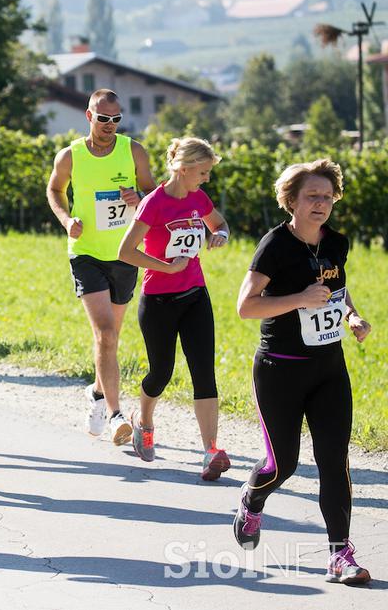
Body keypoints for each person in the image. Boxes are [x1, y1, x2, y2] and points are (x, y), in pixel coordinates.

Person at [233, 159, 372, 586]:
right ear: (291, 200)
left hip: (329, 370)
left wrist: (351, 317)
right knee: (283, 465)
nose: (322, 204)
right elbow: (245, 306)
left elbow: (336, 291)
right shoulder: (275, 245)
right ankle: (252, 501)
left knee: (335, 461)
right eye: (312, 196)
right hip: (280, 370)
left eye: (328, 196)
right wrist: (299, 299)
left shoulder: (337, 243)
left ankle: (339, 554)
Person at [46, 89, 157, 445]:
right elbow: (55, 190)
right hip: (87, 253)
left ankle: (96, 392)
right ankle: (115, 414)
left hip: (125, 254)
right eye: (103, 118)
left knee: (110, 339)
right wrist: (66, 220)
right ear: (89, 116)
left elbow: (154, 195)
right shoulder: (71, 155)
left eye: (116, 119)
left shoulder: (133, 150)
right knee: (105, 334)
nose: (109, 125)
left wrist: (139, 200)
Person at [117, 138, 231, 479]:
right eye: (203, 172)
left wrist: (220, 235)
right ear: (183, 168)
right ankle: (144, 421)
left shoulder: (198, 198)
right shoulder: (154, 203)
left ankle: (211, 451)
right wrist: (167, 267)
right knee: (161, 372)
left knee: (203, 372)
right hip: (158, 300)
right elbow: (126, 251)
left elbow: (220, 223)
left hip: (196, 294)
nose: (207, 179)